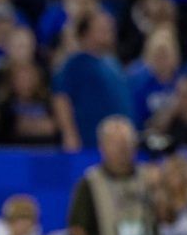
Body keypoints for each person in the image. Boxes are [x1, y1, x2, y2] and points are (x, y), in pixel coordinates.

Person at [51, 12, 132, 151]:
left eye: (110, 28)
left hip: (120, 144)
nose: (109, 32)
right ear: (85, 34)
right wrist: (69, 134)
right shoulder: (75, 63)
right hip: (90, 142)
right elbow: (61, 98)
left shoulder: (112, 62)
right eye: (102, 29)